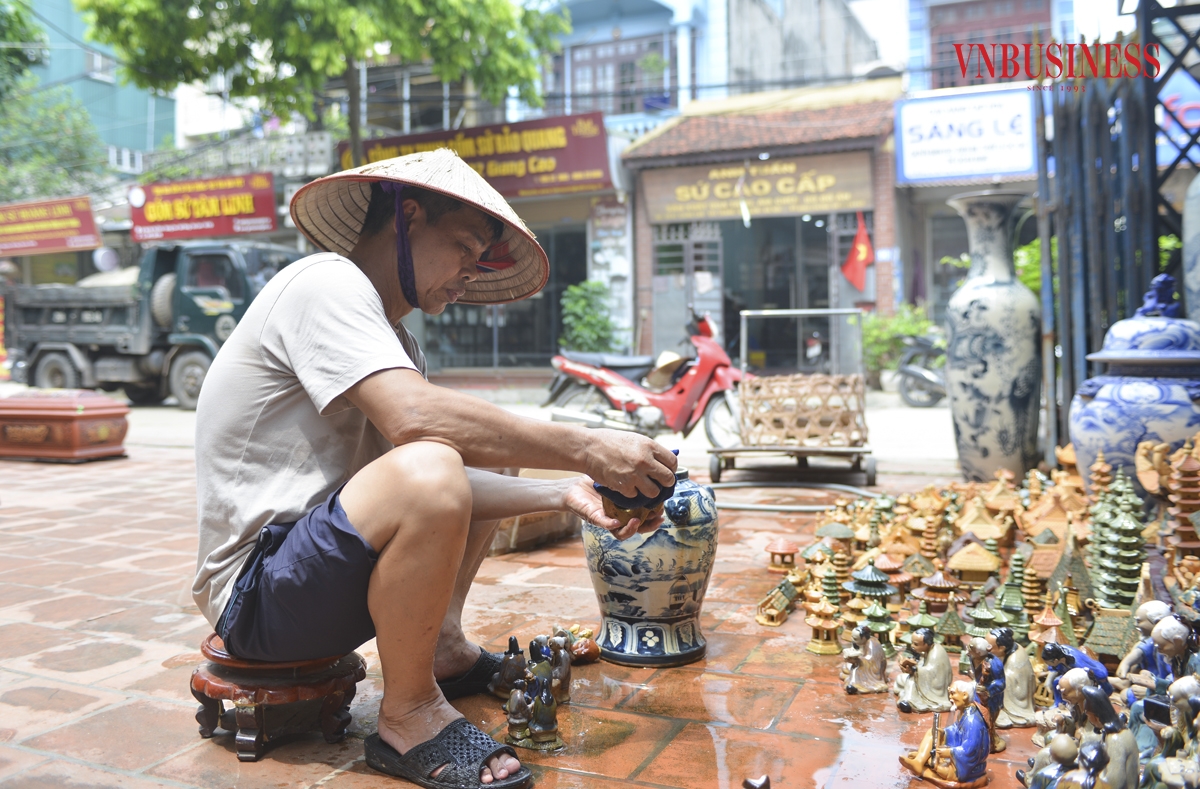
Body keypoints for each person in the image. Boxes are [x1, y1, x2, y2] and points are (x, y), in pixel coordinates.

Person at [191, 150, 677, 789]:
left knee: (481, 446)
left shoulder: (397, 342)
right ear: (409, 217)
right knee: (438, 455)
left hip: (319, 572)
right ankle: (409, 713)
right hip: (256, 596)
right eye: (464, 248)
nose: (471, 272)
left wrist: (566, 492)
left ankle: (442, 648)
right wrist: (588, 446)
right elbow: (417, 431)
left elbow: (435, 490)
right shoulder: (322, 282)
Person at [899, 680, 991, 787]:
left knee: (941, 769)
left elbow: (971, 749)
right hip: (960, 755)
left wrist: (949, 752)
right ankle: (920, 761)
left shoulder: (972, 721)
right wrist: (945, 733)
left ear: (965, 695)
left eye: (952, 693)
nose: (950, 698)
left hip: (968, 767)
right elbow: (956, 730)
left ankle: (928, 761)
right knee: (934, 732)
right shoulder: (964, 712)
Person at [896, 627, 954, 713]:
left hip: (935, 687)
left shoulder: (936, 653)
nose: (912, 646)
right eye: (912, 643)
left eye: (916, 644)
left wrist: (914, 669)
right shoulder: (928, 650)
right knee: (900, 678)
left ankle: (909, 702)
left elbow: (931, 674)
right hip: (924, 678)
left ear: (926, 644)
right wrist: (910, 666)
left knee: (911, 681)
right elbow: (923, 665)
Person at [989, 627, 1035, 729]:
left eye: (989, 647)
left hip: (1017, 695)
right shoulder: (1011, 648)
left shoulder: (1015, 661)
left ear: (1002, 648)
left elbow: (1008, 682)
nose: (987, 649)